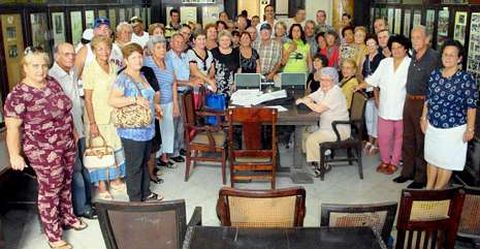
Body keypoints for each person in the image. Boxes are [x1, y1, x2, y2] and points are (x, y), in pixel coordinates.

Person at [4, 47, 87, 249]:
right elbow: (13, 129)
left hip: (66, 143)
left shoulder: (52, 82)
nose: (40, 70)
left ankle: (68, 216)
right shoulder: (18, 95)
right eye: (35, 66)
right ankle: (53, 235)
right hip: (42, 151)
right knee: (50, 190)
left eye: (43, 65)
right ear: (24, 68)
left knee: (66, 182)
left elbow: (66, 110)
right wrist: (15, 155)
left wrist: (74, 132)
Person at [421, 39, 478, 190]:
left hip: (454, 129)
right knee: (432, 159)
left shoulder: (466, 79)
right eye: (445, 54)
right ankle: (428, 190)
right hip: (433, 125)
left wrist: (470, 129)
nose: (447, 58)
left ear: (459, 58)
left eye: (452, 55)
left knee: (446, 162)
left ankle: (437, 194)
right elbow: (428, 98)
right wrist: (423, 117)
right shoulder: (435, 75)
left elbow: (471, 106)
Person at [109, 43, 162, 201]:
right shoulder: (123, 78)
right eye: (133, 57)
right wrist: (134, 99)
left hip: (146, 128)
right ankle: (135, 200)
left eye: (140, 56)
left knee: (144, 162)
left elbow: (148, 97)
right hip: (132, 131)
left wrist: (156, 106)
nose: (138, 60)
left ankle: (146, 192)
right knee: (134, 167)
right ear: (126, 60)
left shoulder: (141, 74)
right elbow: (112, 100)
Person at [49, 43, 96, 220]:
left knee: (84, 167)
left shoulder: (72, 72)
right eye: (66, 54)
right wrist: (72, 130)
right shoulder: (52, 78)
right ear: (56, 56)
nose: (71, 57)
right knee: (75, 171)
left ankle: (87, 202)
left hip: (80, 128)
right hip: (69, 132)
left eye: (72, 54)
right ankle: (81, 208)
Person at [393, 26, 441, 189]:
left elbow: (435, 86)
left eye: (418, 38)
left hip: (423, 103)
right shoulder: (413, 55)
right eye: (412, 38)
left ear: (427, 39)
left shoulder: (434, 57)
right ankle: (407, 172)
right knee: (408, 138)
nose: (414, 41)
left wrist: (426, 113)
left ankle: (420, 177)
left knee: (421, 141)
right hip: (409, 101)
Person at [358, 34, 412, 175]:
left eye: (399, 47)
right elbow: (373, 79)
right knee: (383, 136)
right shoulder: (385, 63)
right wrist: (359, 86)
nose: (396, 50)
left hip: (402, 108)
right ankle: (385, 160)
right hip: (385, 107)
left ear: (406, 49)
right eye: (393, 47)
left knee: (399, 139)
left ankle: (394, 163)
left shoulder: (410, 64)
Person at [83, 36, 126, 200]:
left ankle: (115, 179)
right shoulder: (89, 69)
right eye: (100, 49)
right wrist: (92, 123)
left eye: (107, 48)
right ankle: (102, 185)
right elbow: (87, 99)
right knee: (100, 150)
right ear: (94, 50)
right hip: (98, 117)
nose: (105, 52)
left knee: (114, 146)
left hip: (113, 114)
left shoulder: (114, 66)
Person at [297, 67, 350, 175]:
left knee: (311, 139)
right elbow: (310, 96)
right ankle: (315, 160)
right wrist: (306, 100)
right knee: (302, 133)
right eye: (322, 79)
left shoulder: (335, 92)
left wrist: (303, 102)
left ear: (334, 81)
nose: (324, 82)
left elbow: (319, 108)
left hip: (337, 129)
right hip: (325, 127)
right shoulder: (323, 89)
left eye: (327, 80)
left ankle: (321, 167)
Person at [144, 35, 180, 169]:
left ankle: (165, 157)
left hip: (169, 101)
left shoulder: (168, 61)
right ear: (152, 50)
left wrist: (176, 103)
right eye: (158, 47)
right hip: (155, 103)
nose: (162, 50)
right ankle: (156, 160)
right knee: (157, 132)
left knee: (168, 130)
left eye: (164, 47)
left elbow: (174, 83)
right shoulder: (147, 62)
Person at [167, 33, 200, 163]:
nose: (180, 44)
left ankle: (181, 147)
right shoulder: (168, 57)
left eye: (182, 42)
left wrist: (195, 80)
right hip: (175, 94)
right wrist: (189, 83)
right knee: (175, 124)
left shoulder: (185, 56)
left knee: (183, 123)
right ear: (171, 44)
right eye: (177, 42)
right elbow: (171, 80)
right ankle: (173, 152)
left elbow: (188, 74)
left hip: (186, 93)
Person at [360, 34, 384, 155]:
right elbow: (363, 74)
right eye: (368, 44)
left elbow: (379, 79)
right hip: (367, 91)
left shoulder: (381, 59)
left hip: (377, 92)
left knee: (376, 118)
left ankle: (376, 143)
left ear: (377, 45)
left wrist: (376, 94)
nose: (370, 46)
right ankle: (370, 140)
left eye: (372, 44)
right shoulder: (366, 58)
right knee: (368, 117)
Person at [211, 30, 240, 96]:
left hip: (232, 87)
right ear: (218, 41)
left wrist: (236, 83)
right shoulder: (213, 52)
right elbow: (211, 70)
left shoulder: (236, 52)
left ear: (230, 41)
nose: (225, 42)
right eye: (222, 40)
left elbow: (239, 69)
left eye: (227, 40)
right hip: (216, 87)